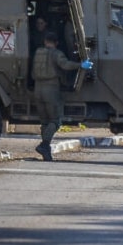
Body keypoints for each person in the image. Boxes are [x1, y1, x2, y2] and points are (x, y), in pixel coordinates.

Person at [32, 31, 93, 161]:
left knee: (44, 122)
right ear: (57, 43)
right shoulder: (56, 53)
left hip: (37, 89)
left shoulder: (38, 52)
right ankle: (44, 145)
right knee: (55, 120)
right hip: (51, 89)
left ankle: (46, 152)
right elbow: (65, 65)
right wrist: (80, 65)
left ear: (45, 41)